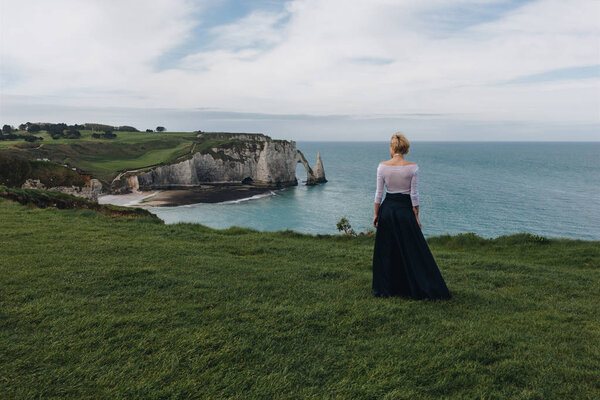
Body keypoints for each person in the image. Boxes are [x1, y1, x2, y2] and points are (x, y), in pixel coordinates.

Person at [372, 132, 451, 300]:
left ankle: (387, 288)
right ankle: (414, 285)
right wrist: (416, 215)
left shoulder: (382, 166)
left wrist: (376, 214)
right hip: (405, 210)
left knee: (387, 250)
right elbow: (414, 195)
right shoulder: (413, 167)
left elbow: (379, 194)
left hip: (388, 210)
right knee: (412, 249)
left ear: (392, 148)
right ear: (406, 149)